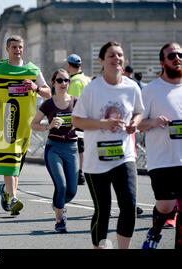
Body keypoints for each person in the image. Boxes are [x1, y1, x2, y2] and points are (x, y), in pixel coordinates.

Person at [72, 41, 144, 249]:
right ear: (102, 60)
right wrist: (102, 124)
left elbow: (139, 112)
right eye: (111, 55)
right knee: (103, 210)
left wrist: (134, 124)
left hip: (124, 156)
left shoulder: (132, 87)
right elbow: (76, 121)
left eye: (120, 55)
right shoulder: (92, 89)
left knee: (129, 207)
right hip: (97, 161)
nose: (117, 59)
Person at [0, 35, 51, 216]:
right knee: (10, 160)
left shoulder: (33, 70)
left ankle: (6, 191)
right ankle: (13, 198)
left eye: (20, 47)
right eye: (14, 47)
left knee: (18, 163)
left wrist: (35, 88)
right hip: (6, 119)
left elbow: (48, 93)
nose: (17, 50)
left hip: (27, 123)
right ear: (7, 49)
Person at [138, 42, 182, 249]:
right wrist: (154, 122)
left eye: (180, 54)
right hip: (162, 159)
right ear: (162, 62)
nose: (177, 58)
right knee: (166, 206)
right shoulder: (151, 90)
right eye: (172, 55)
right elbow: (136, 124)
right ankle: (154, 233)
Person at [31, 69, 79, 233]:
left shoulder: (76, 101)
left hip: (72, 148)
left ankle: (57, 204)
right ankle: (60, 220)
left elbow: (86, 121)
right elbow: (34, 124)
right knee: (61, 185)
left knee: (72, 191)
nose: (63, 84)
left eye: (66, 80)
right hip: (54, 148)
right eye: (60, 80)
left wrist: (77, 123)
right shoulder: (48, 104)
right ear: (53, 83)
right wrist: (48, 126)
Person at [65, 54, 91, 185]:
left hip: (78, 118)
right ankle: (82, 171)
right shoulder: (86, 79)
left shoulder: (74, 81)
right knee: (83, 146)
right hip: (87, 117)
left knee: (78, 146)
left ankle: (79, 173)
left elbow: (72, 103)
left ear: (69, 65)